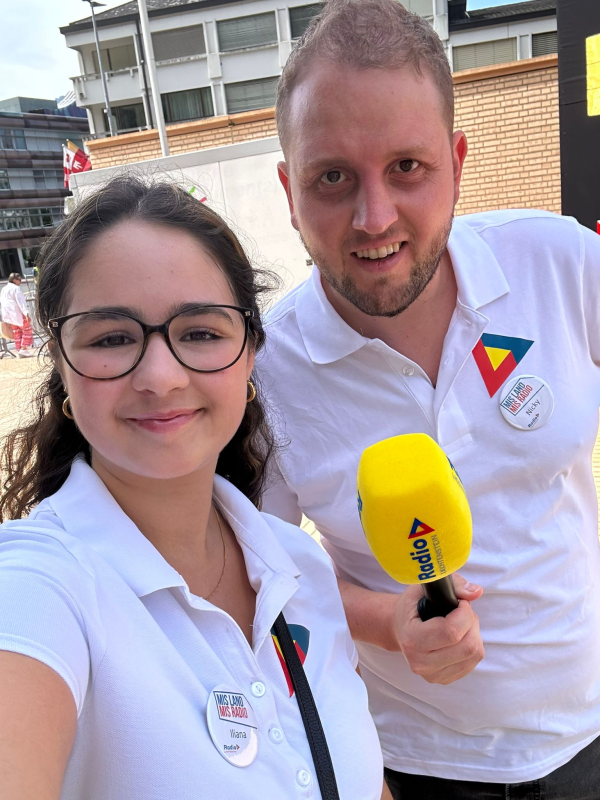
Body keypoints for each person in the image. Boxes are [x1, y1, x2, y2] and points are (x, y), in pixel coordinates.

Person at [257, 1, 600, 797]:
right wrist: (387, 621)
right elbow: (261, 578)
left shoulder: (560, 265)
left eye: (407, 168)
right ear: (288, 188)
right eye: (332, 177)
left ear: (457, 161)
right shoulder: (263, 374)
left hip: (590, 732)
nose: (374, 219)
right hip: (413, 764)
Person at [0, 177, 389, 800]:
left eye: (201, 333)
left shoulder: (300, 567)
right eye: (110, 338)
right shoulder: (39, 583)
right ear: (62, 365)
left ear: (250, 352)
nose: (160, 376)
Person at [0, 273, 34, 357]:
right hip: (18, 313)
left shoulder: (4, 289)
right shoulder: (16, 289)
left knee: (17, 332)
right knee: (27, 329)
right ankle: (23, 349)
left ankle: (19, 350)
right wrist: (26, 313)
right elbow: (21, 302)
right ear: (15, 280)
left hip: (9, 316)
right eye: (19, 279)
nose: (20, 281)